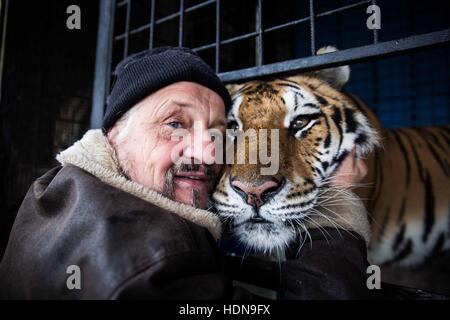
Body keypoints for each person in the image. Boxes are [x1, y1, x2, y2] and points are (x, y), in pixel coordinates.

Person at [0, 47, 370, 299]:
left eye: (219, 132)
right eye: (175, 123)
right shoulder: (149, 265)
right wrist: (341, 209)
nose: (207, 152)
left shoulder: (52, 191)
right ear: (115, 133)